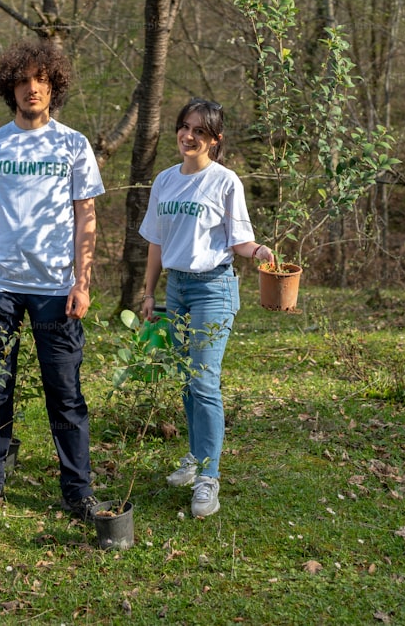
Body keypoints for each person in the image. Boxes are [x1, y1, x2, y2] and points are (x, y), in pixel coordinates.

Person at [0, 39, 104, 522]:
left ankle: (77, 489)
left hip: (56, 290)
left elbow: (87, 217)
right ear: (10, 88)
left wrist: (82, 281)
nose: (32, 88)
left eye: (41, 79)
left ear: (54, 86)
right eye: (23, 80)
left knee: (65, 392)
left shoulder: (73, 144)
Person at [138, 98, 274, 518]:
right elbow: (156, 243)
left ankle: (208, 478)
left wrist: (260, 251)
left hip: (213, 288)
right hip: (177, 289)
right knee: (186, 379)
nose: (188, 135)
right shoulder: (164, 181)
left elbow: (238, 241)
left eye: (199, 130)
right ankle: (195, 459)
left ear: (215, 140)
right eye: (184, 126)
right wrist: (148, 292)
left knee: (205, 382)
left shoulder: (225, 182)